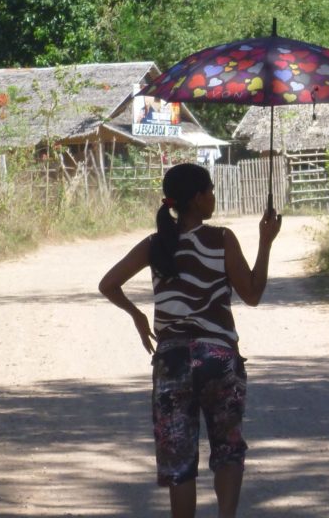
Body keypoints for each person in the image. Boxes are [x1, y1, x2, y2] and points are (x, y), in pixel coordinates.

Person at [98, 163, 282, 518]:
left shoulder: (155, 244)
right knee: (228, 450)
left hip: (172, 362)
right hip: (219, 358)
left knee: (179, 461)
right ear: (198, 199)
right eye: (210, 191)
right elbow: (253, 293)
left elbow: (108, 284)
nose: (213, 197)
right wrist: (265, 241)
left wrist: (137, 315)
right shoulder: (222, 238)